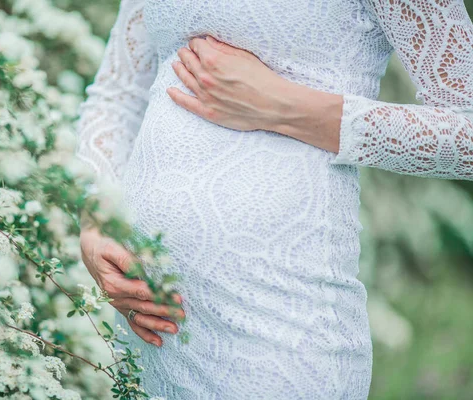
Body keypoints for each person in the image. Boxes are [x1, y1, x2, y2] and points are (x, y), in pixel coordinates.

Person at [76, 0, 473, 398]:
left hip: (281, 327)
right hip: (149, 332)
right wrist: (96, 216)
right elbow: (117, 94)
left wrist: (284, 107)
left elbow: (467, 135)